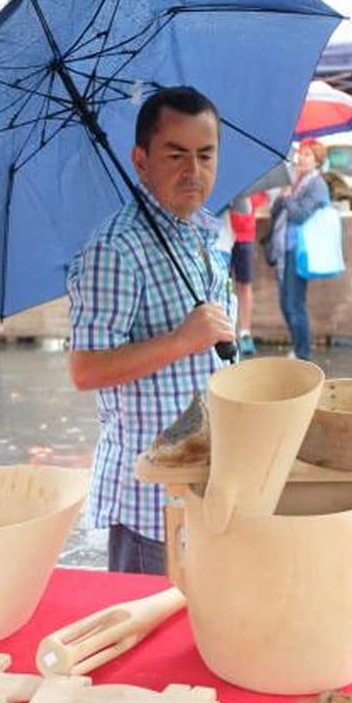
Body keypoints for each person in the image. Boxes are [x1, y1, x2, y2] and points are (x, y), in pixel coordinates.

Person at [68, 86, 235, 575]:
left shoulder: (197, 235)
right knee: (149, 639)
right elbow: (84, 370)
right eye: (176, 154)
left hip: (204, 480)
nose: (194, 171)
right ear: (140, 161)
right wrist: (181, 340)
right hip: (149, 501)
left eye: (206, 155)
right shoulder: (114, 249)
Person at [267, 139, 330, 361]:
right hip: (283, 249)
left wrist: (287, 199)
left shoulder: (317, 185)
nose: (300, 159)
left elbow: (300, 214)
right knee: (285, 302)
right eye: (300, 154)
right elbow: (275, 211)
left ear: (317, 161)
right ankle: (298, 347)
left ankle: (303, 353)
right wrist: (283, 196)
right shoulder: (295, 182)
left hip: (299, 249)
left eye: (307, 155)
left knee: (295, 303)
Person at [228, 191, 266, 356]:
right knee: (224, 285)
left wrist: (248, 197)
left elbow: (262, 196)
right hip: (223, 236)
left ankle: (245, 332)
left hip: (245, 235)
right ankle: (228, 330)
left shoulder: (249, 174)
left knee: (245, 284)